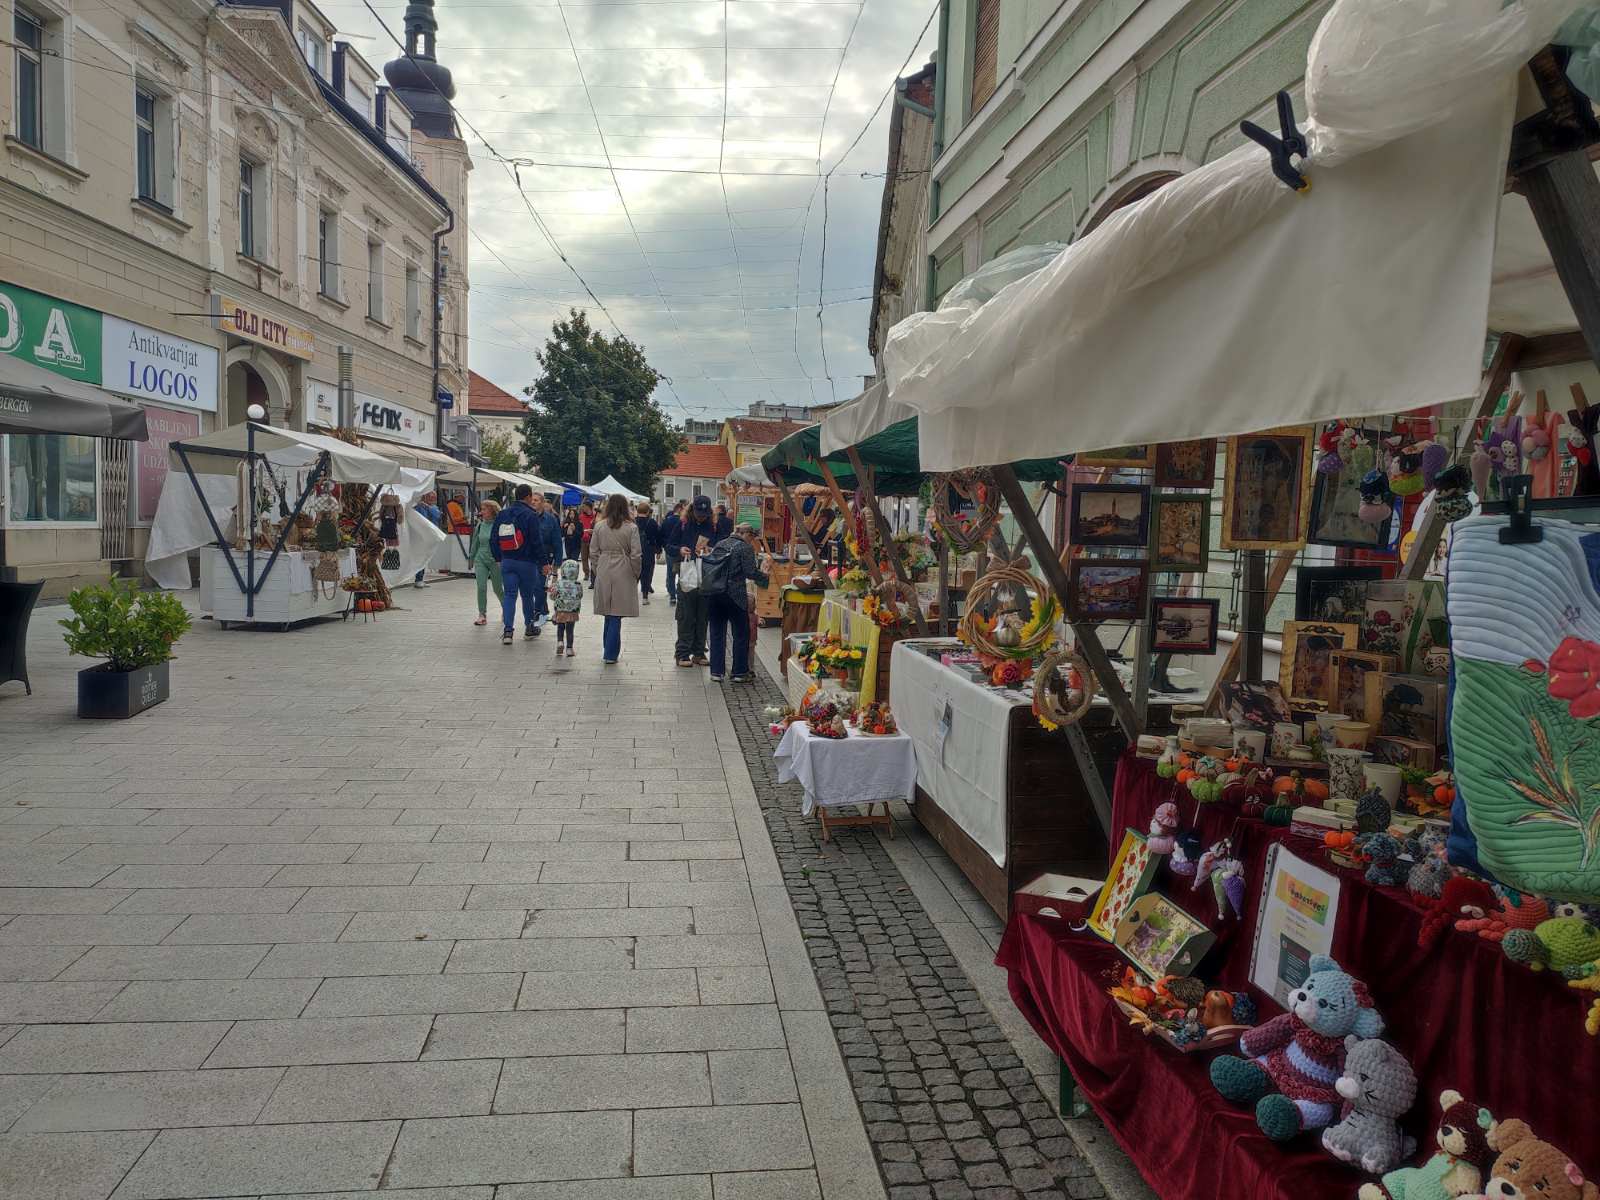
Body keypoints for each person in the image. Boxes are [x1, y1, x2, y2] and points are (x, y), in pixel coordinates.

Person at [702, 521, 770, 683]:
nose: (751, 541)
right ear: (746, 534)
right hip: (735, 595)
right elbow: (750, 572)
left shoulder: (720, 544)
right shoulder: (744, 548)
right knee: (741, 633)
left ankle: (716, 672)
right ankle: (739, 672)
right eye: (751, 537)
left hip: (715, 593)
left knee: (717, 633)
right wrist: (764, 575)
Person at [489, 483, 552, 645]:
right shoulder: (531, 515)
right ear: (528, 497)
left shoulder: (503, 514)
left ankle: (508, 631)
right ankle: (529, 627)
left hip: (507, 561)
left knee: (510, 595)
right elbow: (536, 541)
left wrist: (498, 558)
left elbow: (493, 539)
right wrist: (544, 563)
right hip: (527, 562)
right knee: (526, 596)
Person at [591, 492, 641, 664]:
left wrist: (597, 570)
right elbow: (636, 554)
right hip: (623, 566)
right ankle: (610, 653)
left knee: (608, 611)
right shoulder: (631, 527)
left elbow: (593, 552)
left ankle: (608, 648)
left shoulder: (599, 526)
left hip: (604, 565)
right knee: (616, 613)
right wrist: (635, 573)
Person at [674, 495, 718, 668]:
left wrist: (711, 549)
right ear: (692, 510)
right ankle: (682, 653)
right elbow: (669, 545)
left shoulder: (714, 526)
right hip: (687, 573)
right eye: (699, 513)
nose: (702, 516)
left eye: (705, 513)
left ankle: (699, 653)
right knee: (686, 615)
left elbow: (720, 547)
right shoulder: (683, 524)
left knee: (703, 615)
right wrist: (680, 550)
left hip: (706, 574)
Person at [467, 499, 504, 627]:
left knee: (498, 588)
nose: (481, 512)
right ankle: (482, 614)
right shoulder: (480, 525)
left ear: (492, 510)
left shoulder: (499, 526)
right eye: (481, 509)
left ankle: (506, 609)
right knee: (481, 587)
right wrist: (471, 558)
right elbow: (475, 543)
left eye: (484, 509)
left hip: (496, 560)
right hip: (480, 558)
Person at [526, 491, 561, 626]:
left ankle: (536, 612)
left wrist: (556, 565)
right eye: (532, 500)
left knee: (539, 586)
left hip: (544, 559)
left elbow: (557, 541)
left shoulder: (550, 519)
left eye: (536, 500)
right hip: (528, 558)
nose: (533, 502)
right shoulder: (527, 517)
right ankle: (543, 610)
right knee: (534, 588)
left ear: (542, 503)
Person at [547, 558, 583, 657]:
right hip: (573, 611)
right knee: (570, 629)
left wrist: (554, 597)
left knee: (561, 626)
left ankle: (560, 642)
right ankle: (570, 649)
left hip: (561, 609)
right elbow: (580, 596)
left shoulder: (558, 583)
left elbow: (552, 596)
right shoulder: (578, 584)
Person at [413, 490, 443, 587]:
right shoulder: (419, 507)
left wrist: (428, 507)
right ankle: (418, 579)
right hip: (422, 536)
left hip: (431, 536)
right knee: (421, 557)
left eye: (434, 497)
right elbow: (421, 519)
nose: (433, 499)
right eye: (431, 497)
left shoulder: (433, 507)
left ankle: (420, 579)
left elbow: (437, 515)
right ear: (425, 497)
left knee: (425, 557)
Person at [659, 499, 685, 606]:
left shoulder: (667, 520)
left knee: (670, 574)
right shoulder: (683, 522)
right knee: (682, 574)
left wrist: (664, 546)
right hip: (682, 550)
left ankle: (672, 596)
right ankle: (680, 594)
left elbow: (661, 534)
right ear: (679, 510)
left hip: (670, 551)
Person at [635, 501, 661, 605]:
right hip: (648, 551)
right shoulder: (652, 523)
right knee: (646, 574)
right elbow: (658, 537)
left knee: (634, 574)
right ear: (647, 511)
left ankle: (631, 596)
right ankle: (645, 597)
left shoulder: (632, 522)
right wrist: (658, 550)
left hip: (634, 551)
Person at [577, 500, 597, 585]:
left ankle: (594, 573)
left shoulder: (595, 516)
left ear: (589, 507)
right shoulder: (581, 516)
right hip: (583, 539)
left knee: (592, 557)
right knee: (584, 558)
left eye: (584, 506)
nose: (583, 508)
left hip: (593, 539)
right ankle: (586, 573)